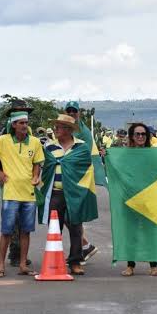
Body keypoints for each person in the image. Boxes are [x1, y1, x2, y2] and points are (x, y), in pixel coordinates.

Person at [0, 111, 44, 277]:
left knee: (26, 231)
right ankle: (1, 266)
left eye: (26, 123)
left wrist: (36, 176)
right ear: (14, 125)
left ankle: (23, 265)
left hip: (29, 194)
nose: (24, 126)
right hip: (10, 194)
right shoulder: (3, 141)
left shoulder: (35, 142)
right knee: (6, 231)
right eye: (21, 123)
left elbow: (37, 163)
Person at [39, 114, 94, 276]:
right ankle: (56, 258)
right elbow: (44, 167)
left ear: (68, 130)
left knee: (76, 227)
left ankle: (75, 261)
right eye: (55, 127)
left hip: (75, 194)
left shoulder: (82, 147)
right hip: (54, 193)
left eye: (59, 127)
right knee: (54, 227)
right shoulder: (49, 147)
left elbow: (86, 169)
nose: (55, 130)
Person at [120, 122, 157, 276]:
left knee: (150, 233)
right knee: (131, 233)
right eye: (137, 134)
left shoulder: (153, 154)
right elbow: (119, 171)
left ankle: (153, 266)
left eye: (143, 134)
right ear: (132, 136)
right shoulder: (124, 155)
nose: (141, 137)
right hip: (129, 198)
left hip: (149, 199)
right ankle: (130, 266)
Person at [64, 101, 100, 263]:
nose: (71, 113)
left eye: (74, 111)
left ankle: (80, 250)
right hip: (69, 178)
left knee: (71, 216)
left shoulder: (82, 132)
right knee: (69, 216)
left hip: (79, 179)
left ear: (79, 113)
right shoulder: (68, 128)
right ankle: (84, 247)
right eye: (69, 110)